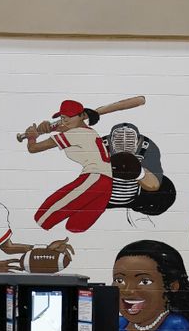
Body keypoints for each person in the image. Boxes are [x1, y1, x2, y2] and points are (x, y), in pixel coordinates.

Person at [24, 96, 146, 234]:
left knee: (41, 218)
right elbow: (67, 128)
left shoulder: (75, 133)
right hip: (106, 184)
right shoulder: (87, 131)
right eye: (63, 118)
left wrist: (32, 136)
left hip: (94, 178)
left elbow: (33, 148)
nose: (65, 121)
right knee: (74, 226)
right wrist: (48, 128)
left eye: (69, 117)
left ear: (82, 116)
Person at [102, 121, 177, 218]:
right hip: (103, 193)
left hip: (137, 194)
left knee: (166, 188)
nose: (125, 143)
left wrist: (138, 171)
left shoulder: (147, 146)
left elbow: (154, 185)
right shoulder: (100, 145)